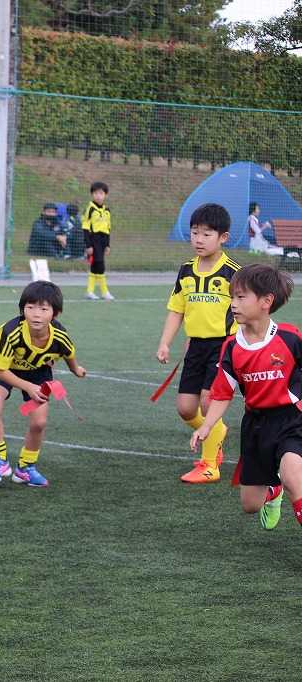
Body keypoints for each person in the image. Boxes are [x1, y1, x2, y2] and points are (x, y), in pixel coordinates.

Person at [191, 263, 302, 532]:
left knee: (293, 477)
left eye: (241, 297)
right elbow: (222, 393)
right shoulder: (231, 347)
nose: (233, 303)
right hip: (255, 426)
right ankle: (273, 491)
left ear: (266, 301)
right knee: (251, 504)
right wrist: (206, 426)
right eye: (232, 297)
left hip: (291, 420)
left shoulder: (290, 338)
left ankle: (285, 484)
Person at [156, 203, 239, 484]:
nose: (199, 240)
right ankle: (216, 432)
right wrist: (165, 343)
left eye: (206, 234)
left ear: (223, 237)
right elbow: (176, 309)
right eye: (194, 233)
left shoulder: (233, 273)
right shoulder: (186, 271)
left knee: (208, 401)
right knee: (186, 408)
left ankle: (209, 465)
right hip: (195, 347)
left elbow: (246, 309)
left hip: (223, 346)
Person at [0, 281, 87, 488]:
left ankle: (25, 468)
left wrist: (76, 369)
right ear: (23, 310)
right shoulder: (11, 332)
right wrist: (28, 387)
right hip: (4, 368)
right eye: (30, 307)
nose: (36, 314)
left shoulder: (60, 336)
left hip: (38, 372)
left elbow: (69, 353)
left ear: (55, 313)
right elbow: (0, 371)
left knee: (39, 423)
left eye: (43, 309)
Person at [83, 181, 113, 301]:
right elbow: (85, 228)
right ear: (92, 195)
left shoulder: (107, 210)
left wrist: (108, 245)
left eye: (101, 193)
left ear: (105, 195)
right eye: (95, 193)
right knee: (99, 265)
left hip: (103, 240)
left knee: (96, 266)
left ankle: (90, 291)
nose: (98, 196)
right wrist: (88, 245)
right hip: (94, 240)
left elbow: (108, 228)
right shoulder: (90, 209)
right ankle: (104, 292)